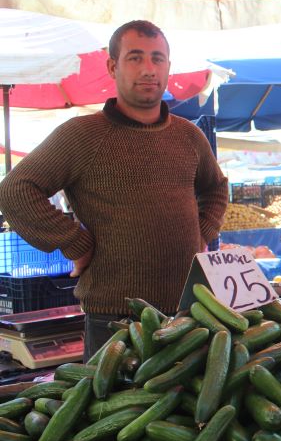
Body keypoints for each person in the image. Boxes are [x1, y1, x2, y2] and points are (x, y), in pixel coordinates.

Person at [0, 20, 228, 361]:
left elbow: (217, 190)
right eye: (135, 58)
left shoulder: (188, 136)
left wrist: (202, 234)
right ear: (112, 66)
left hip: (188, 314)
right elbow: (16, 190)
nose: (149, 69)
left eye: (158, 58)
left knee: (186, 413)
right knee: (116, 413)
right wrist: (74, 241)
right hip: (115, 319)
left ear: (168, 66)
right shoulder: (81, 135)